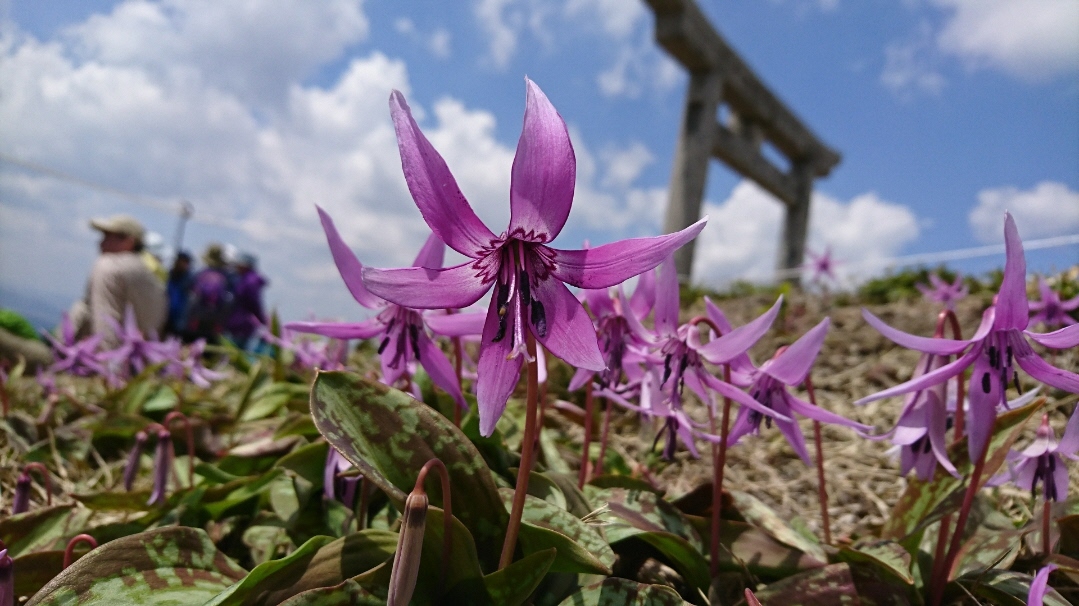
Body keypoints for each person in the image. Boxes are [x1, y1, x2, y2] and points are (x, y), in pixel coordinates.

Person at [69, 214, 167, 348]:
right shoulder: (148, 274)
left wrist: (105, 363)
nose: (101, 242)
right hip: (140, 360)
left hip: (97, 359)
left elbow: (105, 323)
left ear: (129, 241)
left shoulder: (108, 266)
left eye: (108, 237)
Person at [183, 244, 234, 343]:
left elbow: (190, 295)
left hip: (195, 321)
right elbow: (230, 300)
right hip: (215, 324)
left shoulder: (199, 275)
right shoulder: (227, 277)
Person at [226, 252, 268, 350]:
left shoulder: (249, 281)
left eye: (238, 264)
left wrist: (261, 320)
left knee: (234, 352)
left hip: (242, 323)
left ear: (245, 266)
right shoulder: (245, 279)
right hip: (242, 323)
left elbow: (253, 302)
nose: (236, 267)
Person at [165, 251, 194, 337]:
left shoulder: (189, 277)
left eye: (185, 262)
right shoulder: (170, 274)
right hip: (166, 314)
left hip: (180, 318)